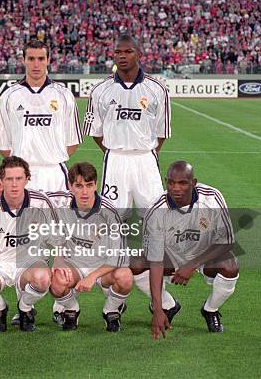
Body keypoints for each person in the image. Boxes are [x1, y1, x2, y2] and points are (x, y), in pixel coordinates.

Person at [137, 161, 238, 339]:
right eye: (171, 183)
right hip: (171, 257)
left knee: (230, 265)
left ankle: (210, 309)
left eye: (182, 183)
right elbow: (155, 261)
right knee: (136, 263)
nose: (176, 188)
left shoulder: (212, 197)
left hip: (204, 255)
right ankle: (169, 306)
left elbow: (227, 241)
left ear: (194, 182)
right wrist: (157, 309)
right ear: (165, 182)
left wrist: (192, 264)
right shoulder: (156, 211)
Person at [82, 34, 171, 220]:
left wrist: (148, 152)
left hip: (146, 159)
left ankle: (154, 249)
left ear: (138, 54)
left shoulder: (157, 89)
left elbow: (162, 131)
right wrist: (112, 152)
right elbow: (95, 132)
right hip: (115, 159)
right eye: (118, 52)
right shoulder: (100, 90)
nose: (122, 56)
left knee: (155, 216)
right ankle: (115, 249)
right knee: (112, 216)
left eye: (128, 51)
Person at [0, 156, 55, 332]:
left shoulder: (41, 202)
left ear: (27, 179)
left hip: (29, 261)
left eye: (19, 179)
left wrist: (60, 260)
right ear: (1, 181)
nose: (14, 184)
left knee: (43, 278)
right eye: (9, 179)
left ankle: (25, 307)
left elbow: (59, 234)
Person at [47, 162, 133, 332]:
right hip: (75, 263)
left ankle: (111, 310)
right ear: (70, 186)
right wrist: (58, 260)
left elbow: (117, 258)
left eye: (89, 185)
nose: (84, 192)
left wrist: (92, 277)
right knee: (56, 282)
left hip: (103, 266)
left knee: (125, 277)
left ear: (96, 185)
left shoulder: (110, 212)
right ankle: (72, 309)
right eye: (78, 186)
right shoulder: (61, 205)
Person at [0, 40, 82, 192]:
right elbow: (4, 143)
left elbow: (72, 142)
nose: (36, 64)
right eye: (31, 59)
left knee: (57, 216)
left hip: (55, 174)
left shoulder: (64, 95)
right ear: (23, 60)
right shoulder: (9, 96)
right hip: (22, 175)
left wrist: (50, 158)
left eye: (41, 59)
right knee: (23, 216)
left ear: (48, 60)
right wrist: (22, 166)